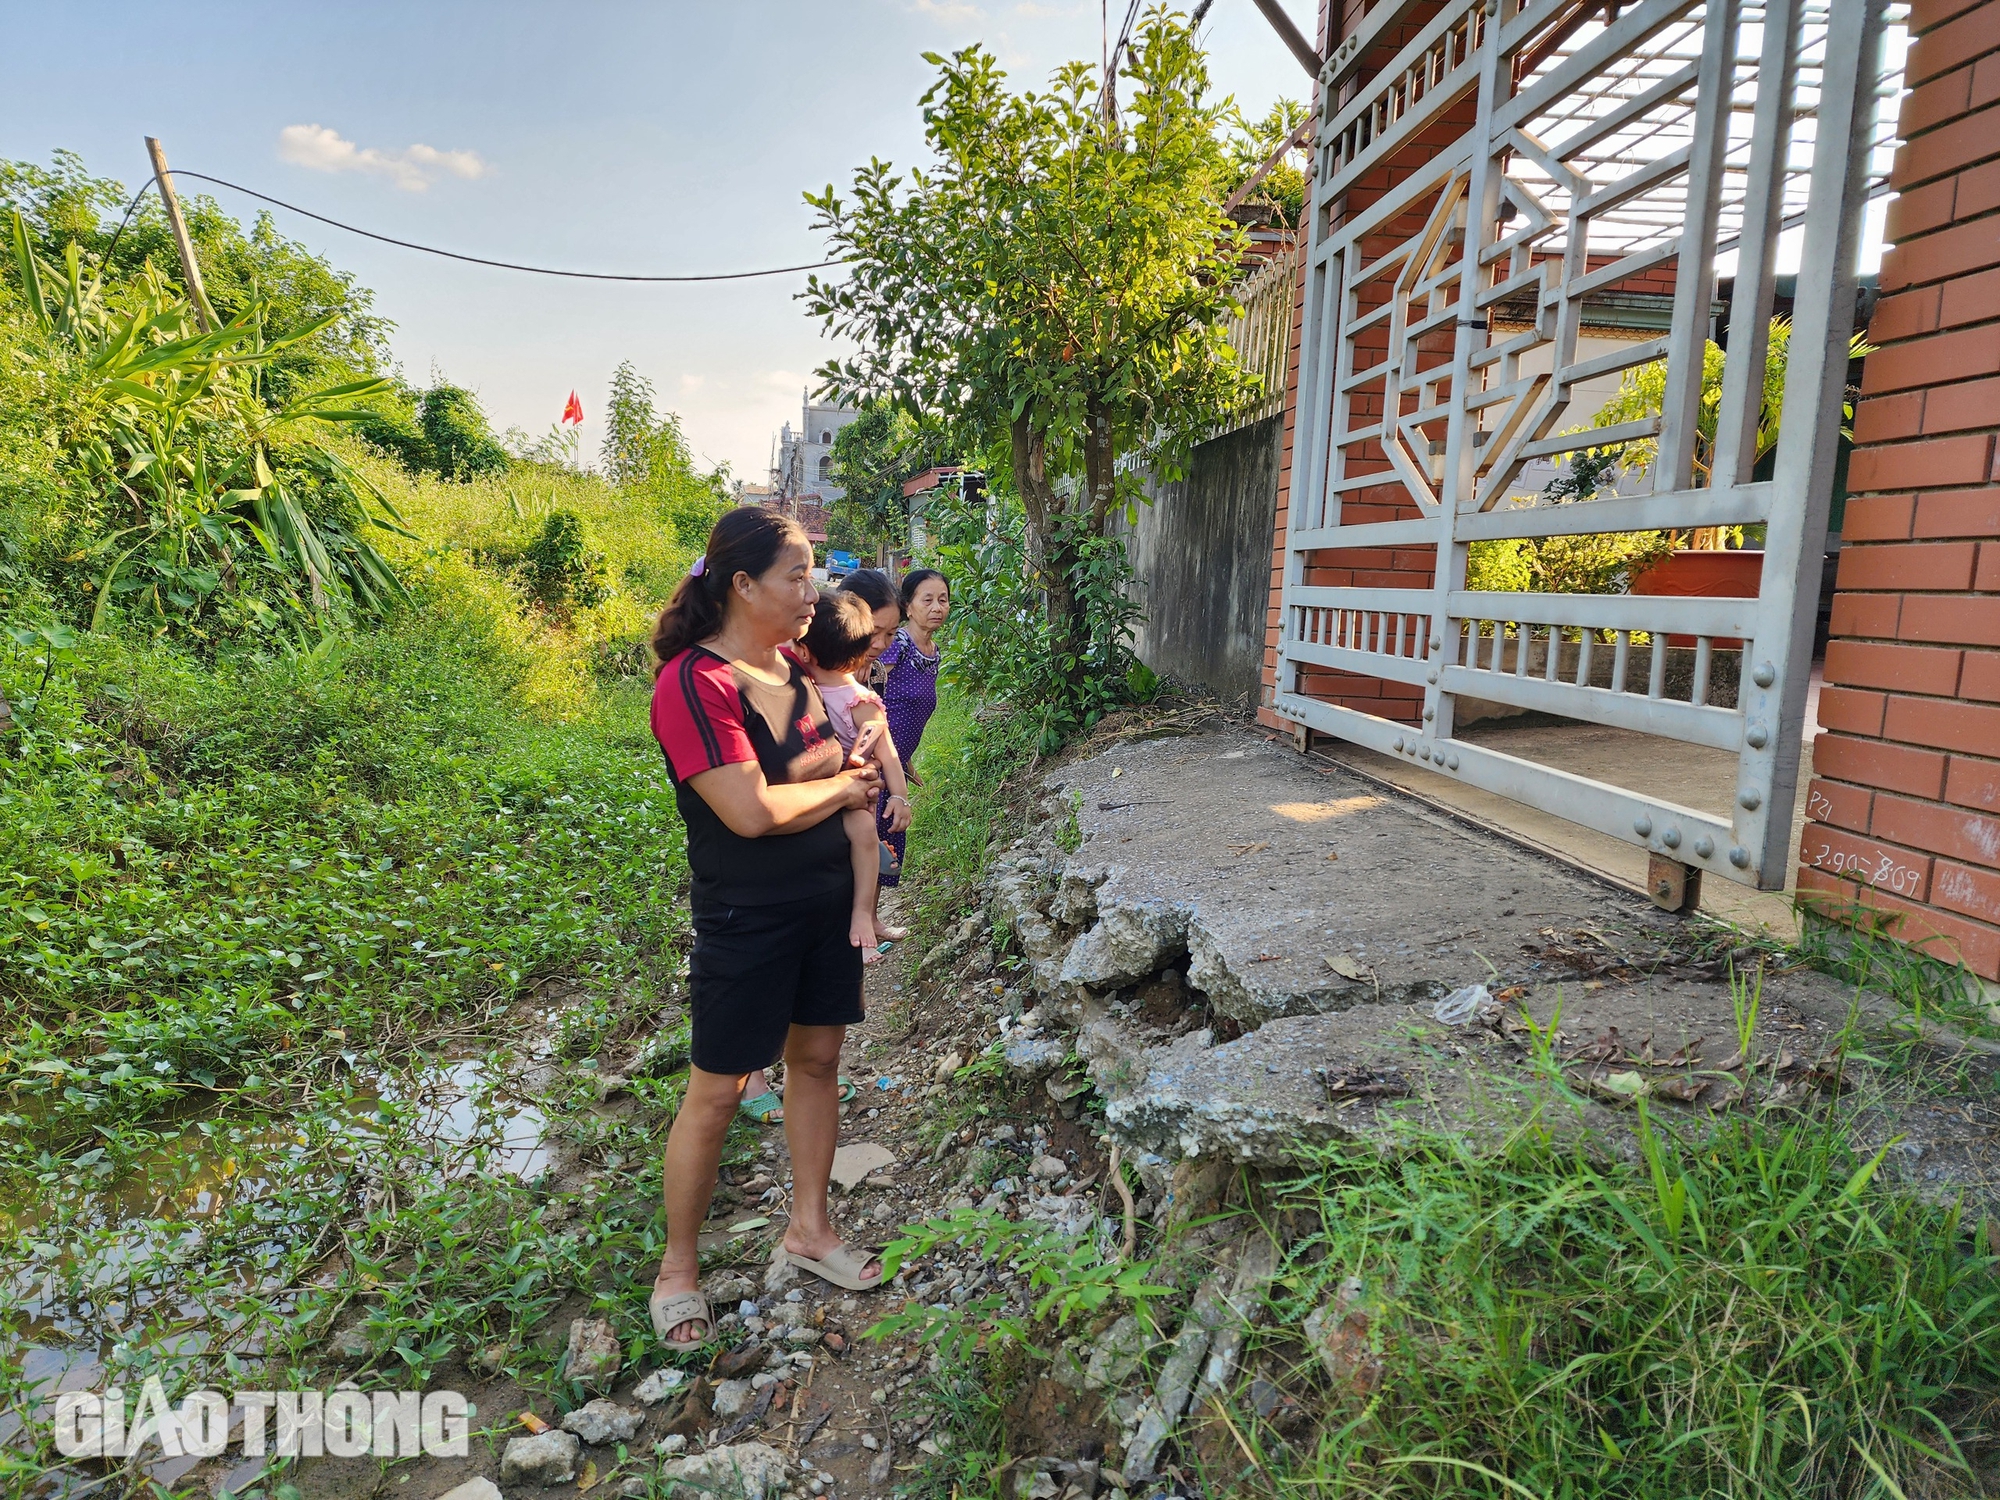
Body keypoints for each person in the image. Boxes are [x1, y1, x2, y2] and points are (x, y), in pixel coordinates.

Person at [646, 508, 885, 1352]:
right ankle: (678, 1270)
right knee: (716, 1091)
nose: (811, 593)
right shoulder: (693, 684)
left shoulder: (790, 669)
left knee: (817, 1061)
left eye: (812, 573)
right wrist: (845, 794)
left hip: (822, 903)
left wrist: (852, 770)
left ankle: (809, 1229)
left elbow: (818, 772)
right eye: (796, 576)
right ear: (742, 585)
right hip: (747, 917)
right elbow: (748, 812)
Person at [797, 590, 914, 962]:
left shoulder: (859, 699)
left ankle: (863, 916)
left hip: (852, 792)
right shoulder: (799, 683)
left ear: (806, 650)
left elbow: (887, 752)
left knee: (863, 835)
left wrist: (899, 796)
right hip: (813, 791)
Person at [872, 568, 950, 891]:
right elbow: (871, 692)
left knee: (887, 839)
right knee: (871, 843)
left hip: (894, 763)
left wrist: (903, 760)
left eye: (943, 600)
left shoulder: (932, 652)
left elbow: (910, 711)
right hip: (874, 760)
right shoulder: (898, 644)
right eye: (927, 599)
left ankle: (871, 922)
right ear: (908, 606)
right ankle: (857, 930)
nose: (937, 607)